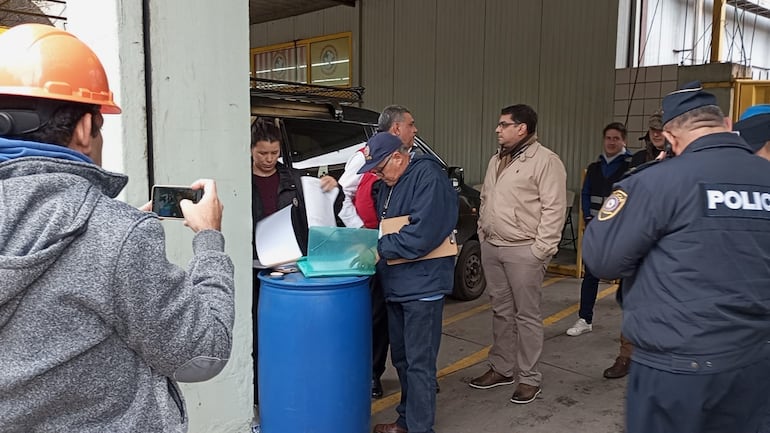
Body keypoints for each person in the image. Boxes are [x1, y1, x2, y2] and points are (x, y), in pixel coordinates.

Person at [0, 24, 235, 432]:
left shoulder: (113, 230)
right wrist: (209, 241)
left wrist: (112, 228)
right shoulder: (117, 235)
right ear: (85, 128)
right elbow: (202, 355)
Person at [583, 81, 770, 433]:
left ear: (669, 137)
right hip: (756, 364)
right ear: (727, 124)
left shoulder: (654, 182)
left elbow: (602, 259)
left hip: (678, 370)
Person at [470, 104, 567, 404]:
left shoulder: (546, 161)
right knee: (501, 311)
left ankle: (529, 378)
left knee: (526, 316)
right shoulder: (496, 160)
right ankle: (501, 368)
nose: (498, 129)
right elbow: (486, 198)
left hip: (524, 250)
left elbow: (555, 209)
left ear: (521, 128)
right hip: (493, 246)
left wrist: (541, 250)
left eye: (503, 124)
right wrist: (483, 232)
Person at [361, 132, 457, 433]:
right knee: (402, 359)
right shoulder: (390, 182)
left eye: (380, 168)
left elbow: (424, 234)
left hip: (423, 287)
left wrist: (380, 249)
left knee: (420, 364)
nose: (377, 174)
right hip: (397, 285)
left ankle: (420, 428)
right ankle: (407, 420)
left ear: (399, 157)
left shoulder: (428, 176)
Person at [250, 117, 340, 407]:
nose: (268, 159)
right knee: (256, 338)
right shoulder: (239, 180)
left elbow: (326, 207)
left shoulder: (292, 179)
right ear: (251, 150)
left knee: (288, 337)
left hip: (288, 269)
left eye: (274, 153)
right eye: (262, 153)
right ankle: (258, 396)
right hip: (253, 268)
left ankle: (288, 393)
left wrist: (330, 188)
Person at [337, 104, 417, 399]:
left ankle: (416, 377)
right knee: (377, 315)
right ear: (396, 129)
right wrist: (362, 230)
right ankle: (372, 373)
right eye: (411, 124)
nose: (415, 130)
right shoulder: (365, 157)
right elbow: (342, 195)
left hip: (404, 248)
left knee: (409, 314)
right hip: (374, 248)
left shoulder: (412, 160)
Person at [566, 122, 631, 338]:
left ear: (624, 141)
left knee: (629, 278)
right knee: (591, 274)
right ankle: (585, 318)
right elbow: (585, 194)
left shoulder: (630, 168)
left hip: (622, 230)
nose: (611, 142)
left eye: (616, 138)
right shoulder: (594, 168)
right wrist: (587, 217)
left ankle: (630, 329)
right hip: (597, 228)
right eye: (608, 138)